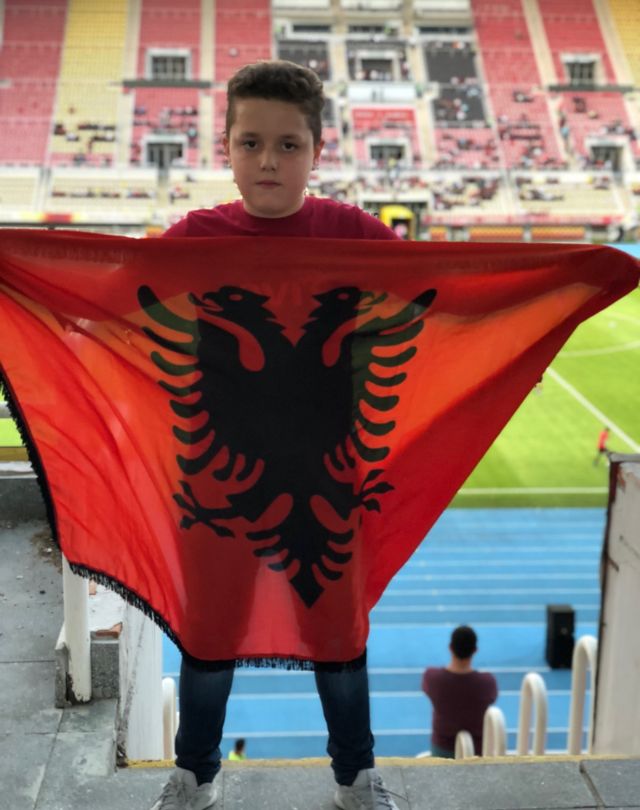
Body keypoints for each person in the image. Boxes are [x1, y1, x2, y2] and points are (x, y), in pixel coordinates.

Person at [150, 60, 401, 810]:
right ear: (226, 148)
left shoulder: (355, 235)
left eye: (288, 145)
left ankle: (356, 778)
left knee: (339, 639)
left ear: (317, 151)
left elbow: (445, 297)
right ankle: (194, 776)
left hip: (329, 479)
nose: (268, 160)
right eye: (251, 142)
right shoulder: (193, 239)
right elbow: (115, 298)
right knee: (208, 639)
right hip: (216, 486)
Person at [422, 626, 497, 758]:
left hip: (442, 748)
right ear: (475, 650)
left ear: (450, 648)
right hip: (476, 750)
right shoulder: (487, 683)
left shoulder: (432, 678)